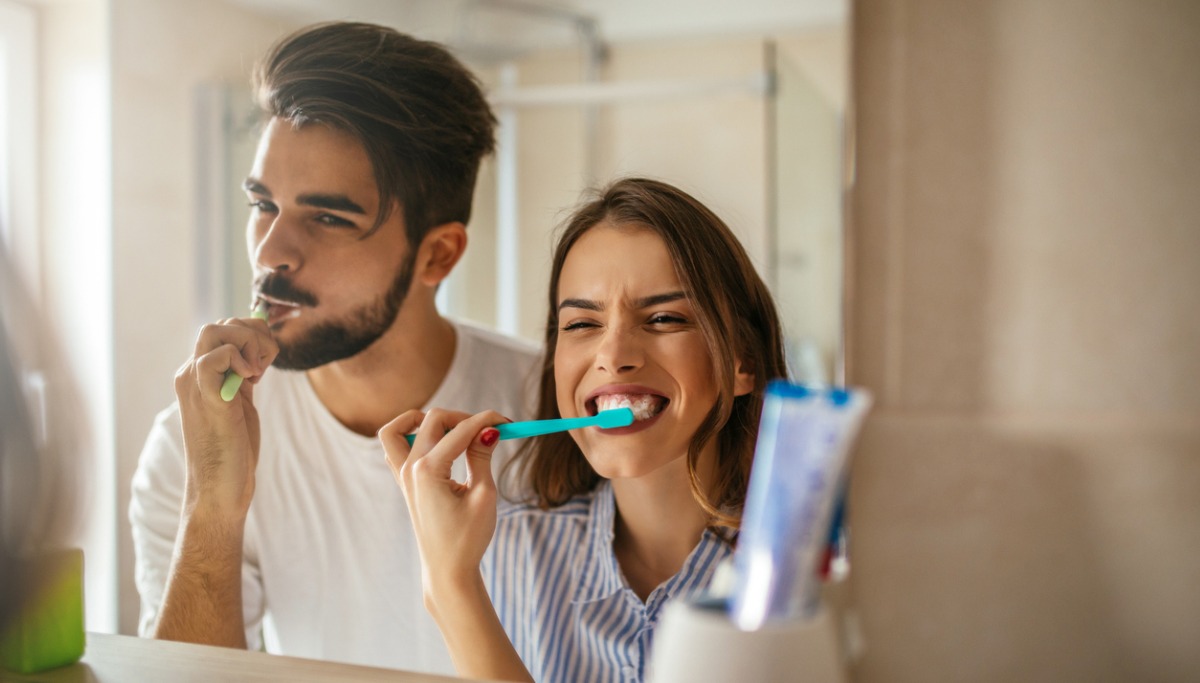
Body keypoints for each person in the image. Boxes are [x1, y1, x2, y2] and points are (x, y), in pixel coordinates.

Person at [128, 22, 539, 673]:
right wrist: (212, 501)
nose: (270, 252)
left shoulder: (551, 416)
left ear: (438, 254)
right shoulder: (198, 440)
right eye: (263, 203)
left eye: (326, 217)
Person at [379, 177, 788, 682]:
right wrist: (452, 578)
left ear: (743, 360)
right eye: (580, 325)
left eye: (662, 318)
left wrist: (450, 587)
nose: (614, 357)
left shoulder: (805, 573)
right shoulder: (505, 553)